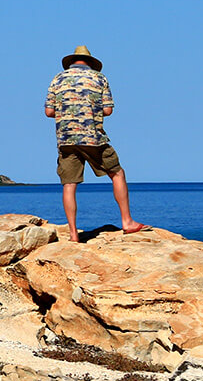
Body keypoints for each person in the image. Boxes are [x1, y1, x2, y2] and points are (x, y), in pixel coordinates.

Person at [43, 45, 148, 242]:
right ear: (90, 63)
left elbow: (49, 112)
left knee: (69, 184)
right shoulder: (99, 78)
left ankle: (74, 235)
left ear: (72, 62)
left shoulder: (57, 78)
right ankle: (127, 222)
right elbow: (108, 110)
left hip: (65, 139)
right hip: (93, 137)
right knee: (117, 173)